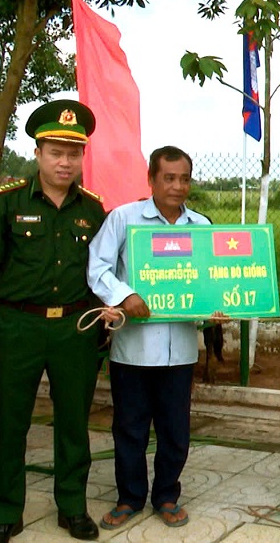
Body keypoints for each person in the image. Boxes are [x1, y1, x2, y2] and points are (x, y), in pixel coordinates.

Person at [0, 100, 107, 543]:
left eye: (73, 153)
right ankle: (6, 511)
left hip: (75, 329)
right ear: (38, 152)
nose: (65, 162)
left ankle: (72, 507)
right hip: (15, 327)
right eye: (55, 152)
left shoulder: (94, 209)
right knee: (10, 423)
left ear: (83, 156)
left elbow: (104, 270)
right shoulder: (5, 203)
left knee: (72, 424)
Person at [87, 146, 211, 530]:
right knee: (130, 427)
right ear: (152, 179)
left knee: (175, 428)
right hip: (133, 350)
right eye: (169, 178)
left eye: (184, 178)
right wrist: (124, 295)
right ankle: (129, 498)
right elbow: (98, 267)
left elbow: (211, 282)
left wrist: (216, 306)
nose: (177, 186)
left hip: (180, 350)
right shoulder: (125, 220)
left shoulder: (202, 227)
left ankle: (167, 496)